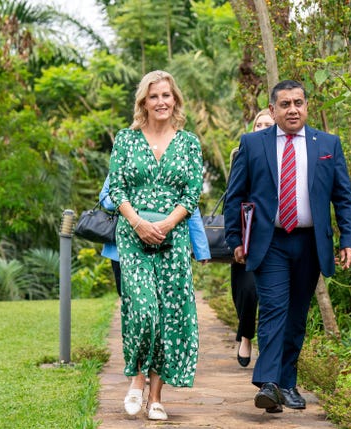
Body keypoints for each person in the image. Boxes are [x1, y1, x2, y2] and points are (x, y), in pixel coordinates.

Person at [224, 80, 351, 413]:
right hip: (269, 242)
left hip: (311, 243)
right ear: (273, 110)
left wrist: (349, 241)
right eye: (285, 104)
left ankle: (286, 383)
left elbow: (343, 198)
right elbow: (235, 195)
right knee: (273, 309)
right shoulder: (252, 144)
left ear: (307, 106)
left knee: (297, 316)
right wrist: (235, 239)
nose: (293, 109)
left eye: (298, 102)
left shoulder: (327, 144)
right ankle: (268, 382)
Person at [108, 70, 204, 421]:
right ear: (143, 103)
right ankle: (135, 380)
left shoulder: (189, 143)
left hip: (172, 236)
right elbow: (116, 189)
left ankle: (156, 397)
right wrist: (138, 223)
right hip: (133, 235)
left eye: (167, 95)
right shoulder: (126, 139)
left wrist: (165, 224)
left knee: (168, 315)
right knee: (143, 309)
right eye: (154, 97)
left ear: (175, 100)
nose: (161, 102)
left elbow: (191, 193)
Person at [99, 175, 211, 298]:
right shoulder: (125, 158)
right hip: (125, 246)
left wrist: (201, 249)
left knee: (166, 299)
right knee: (132, 299)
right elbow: (105, 198)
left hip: (168, 245)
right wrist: (132, 201)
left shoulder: (175, 163)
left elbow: (190, 206)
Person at [229, 108, 274, 367]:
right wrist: (235, 238)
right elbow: (233, 195)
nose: (263, 128)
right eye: (259, 124)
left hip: (278, 236)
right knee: (245, 291)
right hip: (249, 234)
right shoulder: (242, 152)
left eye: (268, 123)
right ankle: (245, 334)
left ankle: (266, 349)